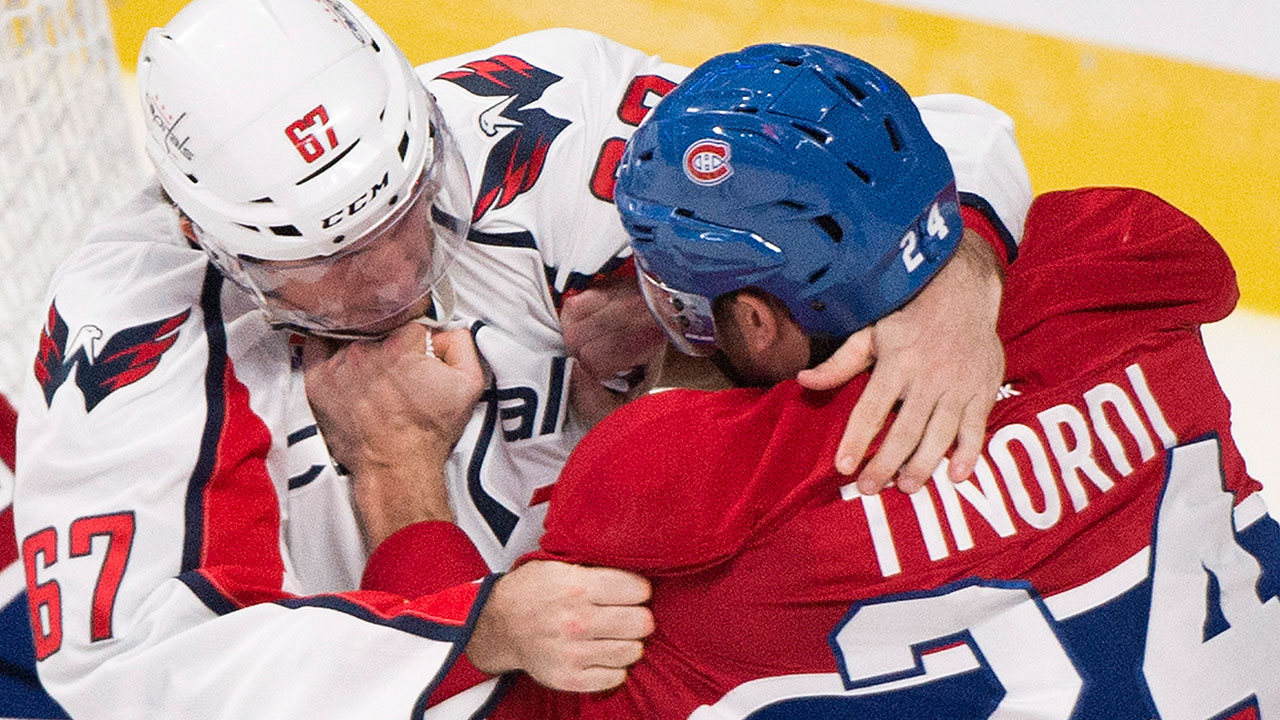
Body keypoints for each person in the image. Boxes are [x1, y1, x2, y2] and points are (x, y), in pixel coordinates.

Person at [11, 0, 1030, 717]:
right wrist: (476, 629)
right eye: (327, 259)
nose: (391, 278)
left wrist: (953, 280)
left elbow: (866, 150)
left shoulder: (537, 112)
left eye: (405, 208)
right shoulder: (129, 337)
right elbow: (132, 673)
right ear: (205, 238)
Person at [368, 45, 1280, 718]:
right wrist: (961, 273)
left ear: (759, 322)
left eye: (674, 296)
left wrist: (396, 469)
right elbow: (1155, 244)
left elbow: (473, 702)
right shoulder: (1118, 290)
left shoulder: (669, 491)